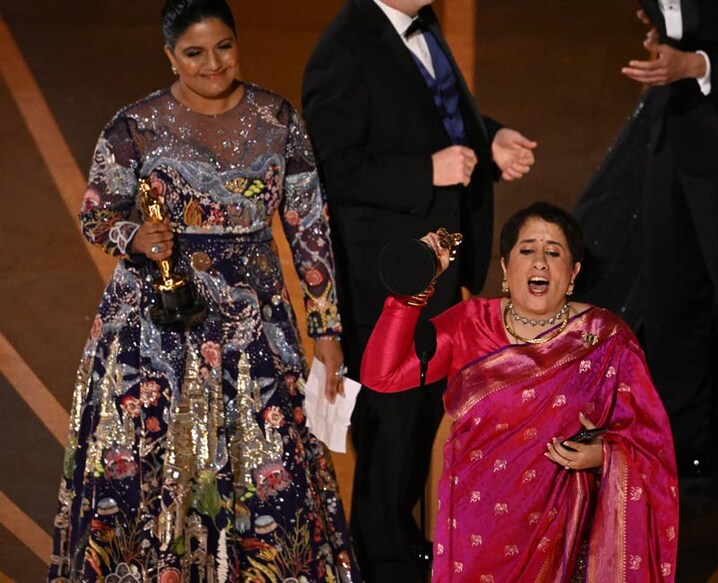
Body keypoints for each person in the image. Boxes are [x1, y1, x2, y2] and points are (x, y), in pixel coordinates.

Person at [47, 0, 359, 580]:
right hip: (151, 329)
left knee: (270, 465)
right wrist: (134, 235)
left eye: (224, 47)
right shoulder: (133, 126)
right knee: (148, 466)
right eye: (194, 52)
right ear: (169, 55)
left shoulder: (278, 120)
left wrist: (327, 332)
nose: (213, 63)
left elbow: (309, 228)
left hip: (256, 329)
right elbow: (94, 215)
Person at [301, 1, 537, 579]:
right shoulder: (342, 49)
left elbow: (441, 115)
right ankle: (380, 561)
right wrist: (424, 173)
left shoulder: (419, 25)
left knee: (423, 415)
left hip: (431, 268)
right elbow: (327, 167)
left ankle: (398, 543)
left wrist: (492, 137)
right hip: (386, 279)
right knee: (390, 429)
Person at [360, 202, 679, 582]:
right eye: (527, 250)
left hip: (562, 534)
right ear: (507, 267)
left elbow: (650, 443)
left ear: (573, 272)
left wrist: (604, 455)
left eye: (554, 252)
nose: (540, 261)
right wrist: (411, 292)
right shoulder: (471, 324)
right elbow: (382, 374)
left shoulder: (605, 338)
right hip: (475, 529)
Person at [620, 0, 718, 481]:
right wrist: (664, 36)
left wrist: (695, 64)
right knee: (671, 298)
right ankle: (686, 450)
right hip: (672, 134)